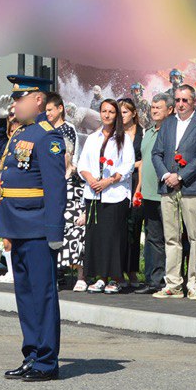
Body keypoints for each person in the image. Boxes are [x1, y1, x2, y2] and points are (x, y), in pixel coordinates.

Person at [0, 75, 68, 382]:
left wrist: (54, 232)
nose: (14, 104)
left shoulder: (47, 137)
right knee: (25, 296)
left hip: (38, 227)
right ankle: (32, 354)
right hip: (17, 224)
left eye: (19, 98)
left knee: (42, 295)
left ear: (38, 100)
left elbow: (55, 188)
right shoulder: (20, 134)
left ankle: (47, 360)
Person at [151, 83, 196, 300]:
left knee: (195, 237)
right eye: (177, 100)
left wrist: (180, 176)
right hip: (167, 187)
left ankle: (194, 284)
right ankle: (173, 284)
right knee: (171, 237)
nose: (180, 104)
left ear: (194, 102)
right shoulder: (168, 123)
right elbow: (156, 153)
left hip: (192, 187)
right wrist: (166, 176)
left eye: (184, 100)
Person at [78, 99, 135, 293]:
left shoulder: (123, 138)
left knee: (113, 236)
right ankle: (100, 276)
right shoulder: (93, 138)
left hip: (114, 194)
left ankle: (115, 278)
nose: (107, 115)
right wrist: (91, 179)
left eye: (111, 111)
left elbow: (127, 166)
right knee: (97, 236)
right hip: (94, 194)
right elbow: (82, 165)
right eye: (104, 111)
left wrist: (108, 181)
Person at [45, 93, 86, 290]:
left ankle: (74, 272)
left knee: (69, 226)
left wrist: (64, 174)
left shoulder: (67, 129)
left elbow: (67, 157)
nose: (48, 114)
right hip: (49, 184)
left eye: (50, 110)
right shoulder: (44, 129)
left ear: (60, 109)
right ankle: (55, 271)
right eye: (46, 111)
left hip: (67, 183)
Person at [138, 92, 172, 293]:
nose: (154, 110)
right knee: (152, 238)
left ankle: (169, 280)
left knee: (170, 238)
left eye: (158, 107)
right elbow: (144, 162)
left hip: (166, 192)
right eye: (152, 107)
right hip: (149, 193)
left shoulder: (171, 132)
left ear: (170, 109)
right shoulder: (149, 131)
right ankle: (152, 280)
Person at [118, 97, 145, 289]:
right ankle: (117, 271)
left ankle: (133, 271)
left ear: (134, 113)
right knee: (119, 227)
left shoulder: (143, 134)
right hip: (119, 182)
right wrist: (131, 165)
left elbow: (145, 161)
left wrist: (134, 166)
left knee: (134, 227)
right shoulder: (115, 134)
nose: (121, 116)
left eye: (125, 112)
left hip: (138, 182)